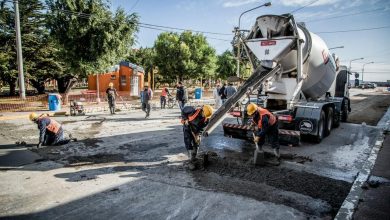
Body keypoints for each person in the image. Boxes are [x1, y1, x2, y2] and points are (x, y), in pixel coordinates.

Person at [181, 105, 213, 170]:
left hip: (196, 130)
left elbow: (202, 128)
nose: (205, 116)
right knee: (188, 140)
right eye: (204, 114)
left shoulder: (206, 120)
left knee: (197, 142)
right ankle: (190, 159)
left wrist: (198, 135)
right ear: (202, 111)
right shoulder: (192, 110)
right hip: (188, 127)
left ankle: (194, 156)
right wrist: (185, 119)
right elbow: (183, 110)